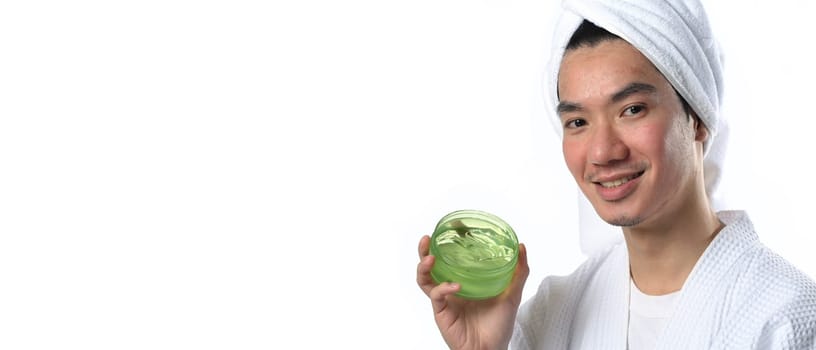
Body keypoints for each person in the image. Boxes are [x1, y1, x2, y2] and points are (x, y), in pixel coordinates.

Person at [415, 0, 816, 349]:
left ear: (697, 119)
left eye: (632, 109)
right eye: (577, 122)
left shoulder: (784, 317)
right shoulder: (551, 316)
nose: (604, 152)